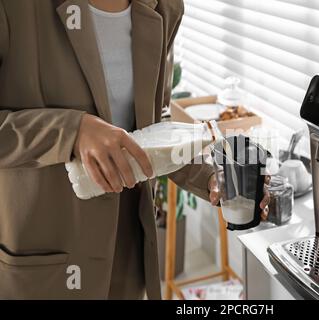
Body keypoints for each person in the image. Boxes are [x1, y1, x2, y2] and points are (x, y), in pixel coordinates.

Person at [0, 0, 269, 299]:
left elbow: (151, 125)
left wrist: (209, 177)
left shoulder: (165, 7)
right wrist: (70, 131)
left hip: (127, 254)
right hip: (42, 260)